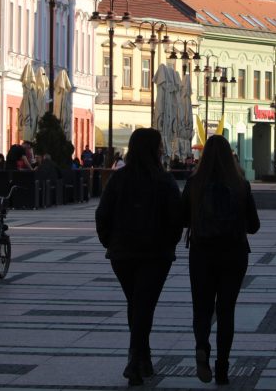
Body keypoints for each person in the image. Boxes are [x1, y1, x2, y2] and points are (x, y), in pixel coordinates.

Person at [95, 128, 181, 387]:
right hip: (155, 254)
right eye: (159, 146)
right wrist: (169, 244)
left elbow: (102, 214)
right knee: (143, 304)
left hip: (122, 254)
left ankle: (143, 358)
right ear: (154, 149)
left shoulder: (118, 179)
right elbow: (176, 220)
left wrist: (109, 242)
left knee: (136, 302)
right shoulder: (165, 181)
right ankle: (135, 360)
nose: (162, 150)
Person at [183, 134, 260, 386]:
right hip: (233, 254)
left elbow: (181, 218)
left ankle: (201, 346)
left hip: (202, 253)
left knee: (202, 308)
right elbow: (254, 225)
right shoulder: (240, 184)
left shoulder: (194, 182)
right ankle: (223, 368)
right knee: (226, 312)